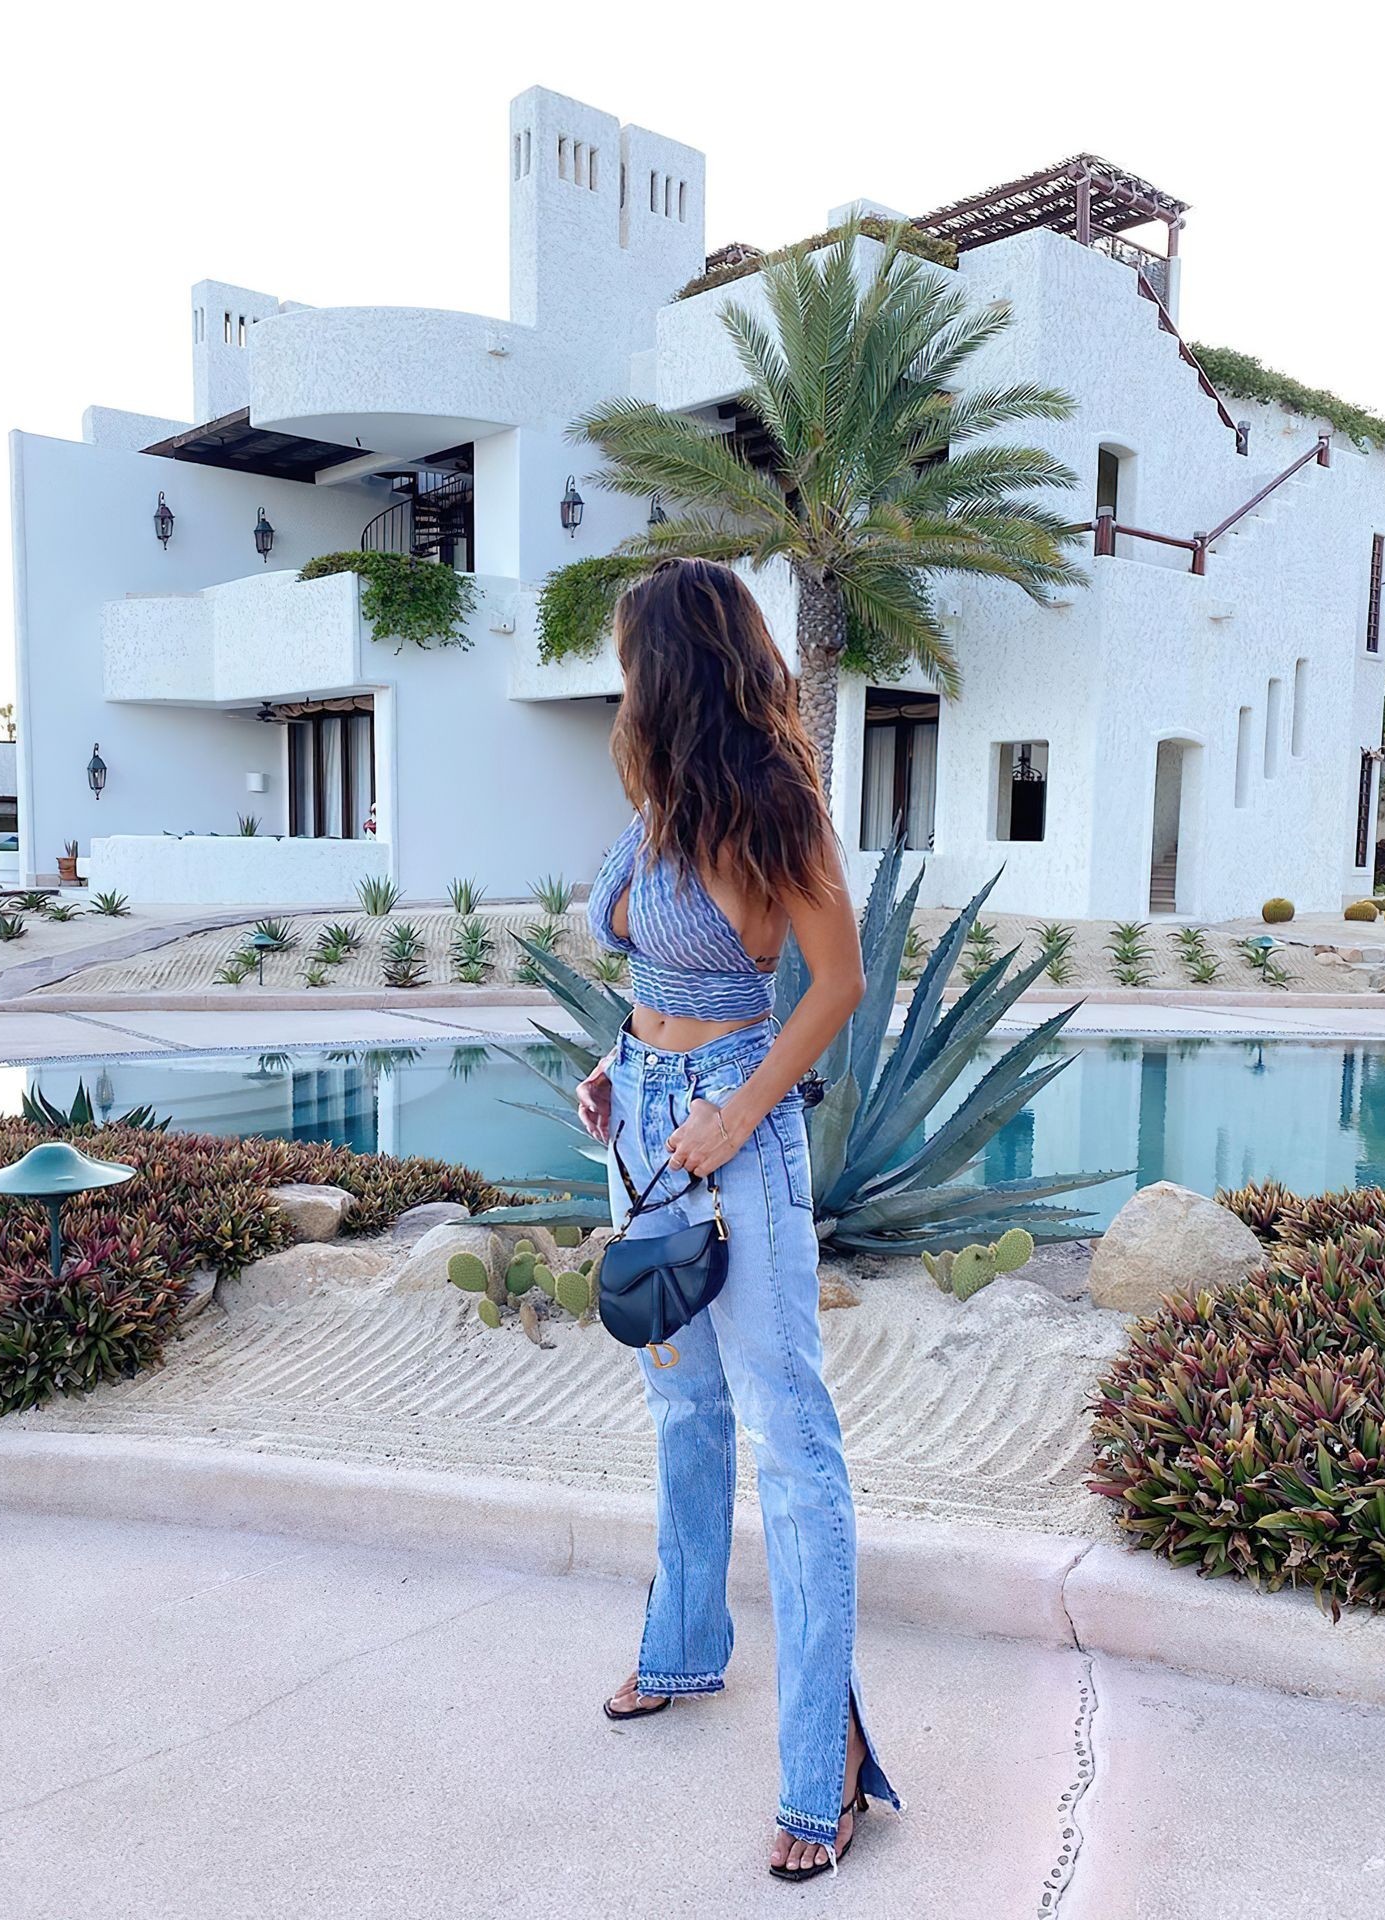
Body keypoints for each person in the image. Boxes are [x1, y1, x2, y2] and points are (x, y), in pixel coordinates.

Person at [577, 558, 901, 1881]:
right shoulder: (658, 802)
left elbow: (837, 982)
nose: (620, 687)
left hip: (734, 1128)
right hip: (644, 1114)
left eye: (629, 663)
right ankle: (684, 1647)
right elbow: (657, 968)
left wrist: (730, 1114)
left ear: (670, 669)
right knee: (682, 1405)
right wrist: (618, 1066)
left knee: (790, 1438)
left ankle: (829, 1759)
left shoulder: (776, 803)